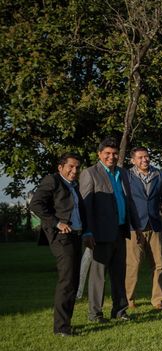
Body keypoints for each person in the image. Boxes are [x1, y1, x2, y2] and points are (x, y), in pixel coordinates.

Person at [80, 137, 142, 323]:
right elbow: (86, 207)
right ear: (99, 154)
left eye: (114, 153)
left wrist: (136, 226)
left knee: (119, 274)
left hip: (121, 231)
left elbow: (129, 202)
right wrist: (87, 232)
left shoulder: (122, 173)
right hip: (99, 234)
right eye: (107, 153)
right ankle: (95, 314)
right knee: (98, 276)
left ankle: (120, 311)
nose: (111, 157)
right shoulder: (89, 173)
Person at [29, 153, 86, 336]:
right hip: (61, 237)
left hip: (76, 236)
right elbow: (36, 204)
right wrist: (56, 222)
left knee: (74, 281)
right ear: (60, 167)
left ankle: (65, 325)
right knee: (67, 281)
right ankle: (61, 328)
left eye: (77, 167)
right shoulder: (52, 180)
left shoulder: (74, 185)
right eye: (71, 166)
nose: (74, 170)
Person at [125, 146, 162, 310]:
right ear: (133, 160)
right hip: (134, 227)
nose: (144, 160)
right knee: (133, 265)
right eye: (140, 157)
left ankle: (158, 300)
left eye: (146, 156)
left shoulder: (159, 174)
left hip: (154, 225)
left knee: (158, 265)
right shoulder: (126, 176)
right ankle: (128, 300)